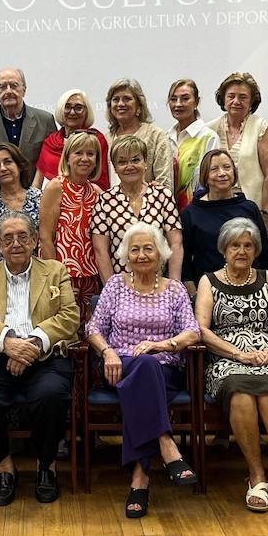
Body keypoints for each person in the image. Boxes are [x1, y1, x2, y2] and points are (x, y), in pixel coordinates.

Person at [0, 212, 80, 505]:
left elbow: (70, 316)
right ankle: (3, 467)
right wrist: (7, 342)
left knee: (51, 395)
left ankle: (46, 465)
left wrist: (34, 342)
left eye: (22, 236)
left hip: (45, 355)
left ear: (35, 239)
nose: (16, 243)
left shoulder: (54, 271)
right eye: (8, 238)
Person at [86, 221, 201, 518]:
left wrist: (161, 345)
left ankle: (140, 478)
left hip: (164, 369)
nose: (141, 255)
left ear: (161, 252)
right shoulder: (115, 286)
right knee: (142, 372)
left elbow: (192, 332)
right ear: (126, 255)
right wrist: (108, 351)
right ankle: (165, 443)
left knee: (147, 369)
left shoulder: (174, 290)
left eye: (147, 248)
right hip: (118, 366)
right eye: (134, 249)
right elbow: (94, 328)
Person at [195, 218, 268, 512]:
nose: (241, 251)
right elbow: (202, 331)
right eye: (235, 245)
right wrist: (237, 354)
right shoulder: (209, 280)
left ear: (256, 250)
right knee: (241, 393)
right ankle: (256, 475)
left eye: (248, 245)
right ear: (224, 249)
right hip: (226, 359)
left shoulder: (267, 277)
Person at [91, 135, 183, 283]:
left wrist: (174, 285)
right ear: (114, 167)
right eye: (122, 162)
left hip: (159, 286)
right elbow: (101, 251)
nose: (129, 166)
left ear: (145, 162)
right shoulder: (104, 201)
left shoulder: (163, 195)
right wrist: (111, 290)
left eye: (135, 160)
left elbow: (176, 244)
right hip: (122, 288)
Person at [179, 149, 268, 295]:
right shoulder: (190, 213)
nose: (222, 173)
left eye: (227, 167)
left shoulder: (249, 208)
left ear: (234, 172)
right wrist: (194, 296)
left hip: (251, 289)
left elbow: (264, 255)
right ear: (205, 176)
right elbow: (184, 265)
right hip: (208, 292)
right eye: (214, 169)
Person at [39, 131, 103, 324]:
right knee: (63, 327)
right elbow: (45, 236)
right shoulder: (56, 186)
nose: (85, 158)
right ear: (67, 157)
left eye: (90, 154)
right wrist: (54, 277)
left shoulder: (97, 192)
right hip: (62, 273)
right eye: (78, 153)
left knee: (88, 330)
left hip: (90, 274)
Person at [208, 73, 268, 213]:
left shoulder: (261, 127)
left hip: (251, 208)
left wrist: (266, 212)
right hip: (214, 207)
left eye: (243, 97)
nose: (236, 101)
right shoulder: (210, 129)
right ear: (223, 99)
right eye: (231, 96)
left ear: (252, 101)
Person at [0, 67, 58, 179]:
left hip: (36, 192)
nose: (8, 91)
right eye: (2, 86)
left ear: (24, 90)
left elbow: (54, 162)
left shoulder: (45, 120)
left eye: (14, 85)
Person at [106, 78, 175, 189]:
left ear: (139, 106)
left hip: (149, 204)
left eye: (127, 99)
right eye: (115, 99)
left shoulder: (156, 135)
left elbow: (164, 182)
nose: (120, 104)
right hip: (112, 205)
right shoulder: (106, 138)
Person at [36, 89, 109, 190]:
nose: (72, 112)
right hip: (52, 197)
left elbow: (101, 178)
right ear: (61, 110)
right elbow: (39, 179)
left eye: (78, 108)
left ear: (87, 112)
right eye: (67, 107)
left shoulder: (96, 139)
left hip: (87, 199)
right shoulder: (50, 141)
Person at [0, 143, 42, 264]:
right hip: (0, 274)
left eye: (8, 162)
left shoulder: (40, 198)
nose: (3, 168)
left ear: (19, 166)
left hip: (37, 271)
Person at [166, 79, 219, 208]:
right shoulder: (166, 137)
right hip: (168, 213)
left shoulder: (208, 137)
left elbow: (214, 180)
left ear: (196, 102)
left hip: (200, 210)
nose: (178, 104)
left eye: (185, 99)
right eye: (173, 99)